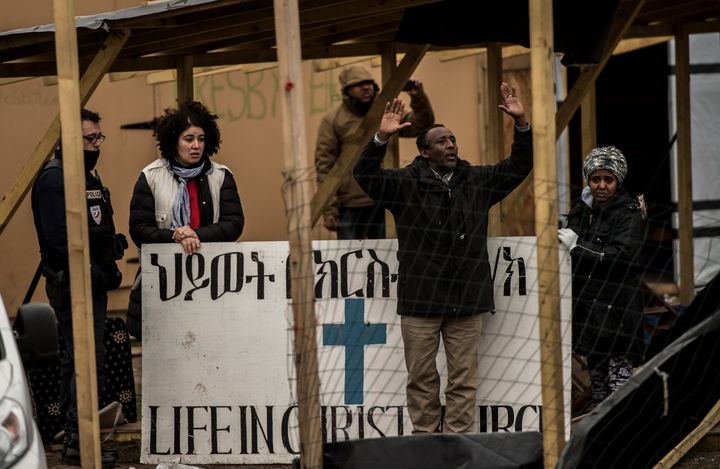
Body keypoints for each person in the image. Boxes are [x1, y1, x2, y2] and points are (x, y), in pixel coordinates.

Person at [353, 83, 532, 433]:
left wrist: (521, 124)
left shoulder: (477, 180)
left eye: (452, 140)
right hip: (421, 301)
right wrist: (380, 139)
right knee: (421, 379)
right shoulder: (404, 184)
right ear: (424, 152)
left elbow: (519, 166)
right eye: (441, 141)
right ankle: (425, 443)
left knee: (463, 381)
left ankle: (458, 445)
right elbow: (366, 177)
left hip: (467, 300)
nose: (450, 145)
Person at [31, 108, 125, 467]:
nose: (96, 144)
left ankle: (73, 434)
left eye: (99, 137)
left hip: (91, 281)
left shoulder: (83, 174)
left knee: (78, 358)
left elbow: (95, 230)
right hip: (74, 285)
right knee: (89, 358)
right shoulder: (56, 179)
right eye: (90, 139)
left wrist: (108, 266)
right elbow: (59, 243)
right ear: (70, 141)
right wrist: (97, 275)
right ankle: (83, 437)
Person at [128, 100, 244, 338]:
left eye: (201, 139)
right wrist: (175, 235)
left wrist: (195, 235)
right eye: (188, 139)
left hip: (210, 282)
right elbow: (139, 229)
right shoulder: (151, 177)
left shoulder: (221, 176)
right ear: (174, 141)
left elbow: (234, 224)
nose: (196, 146)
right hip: (163, 282)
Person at [558, 146, 647, 408]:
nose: (601, 186)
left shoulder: (628, 212)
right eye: (595, 179)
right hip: (589, 302)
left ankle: (621, 425)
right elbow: (567, 237)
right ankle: (598, 427)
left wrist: (579, 247)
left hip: (617, 303)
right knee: (597, 371)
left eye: (608, 179)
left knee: (619, 375)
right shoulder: (582, 207)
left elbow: (623, 254)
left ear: (618, 181)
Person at [315, 64, 435, 239]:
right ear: (346, 91)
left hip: (384, 199)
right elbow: (324, 166)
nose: (365, 87)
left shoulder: (387, 114)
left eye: (368, 83)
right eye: (358, 84)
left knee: (386, 260)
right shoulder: (333, 121)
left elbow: (421, 125)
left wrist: (418, 98)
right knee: (350, 261)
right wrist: (329, 209)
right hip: (349, 205)